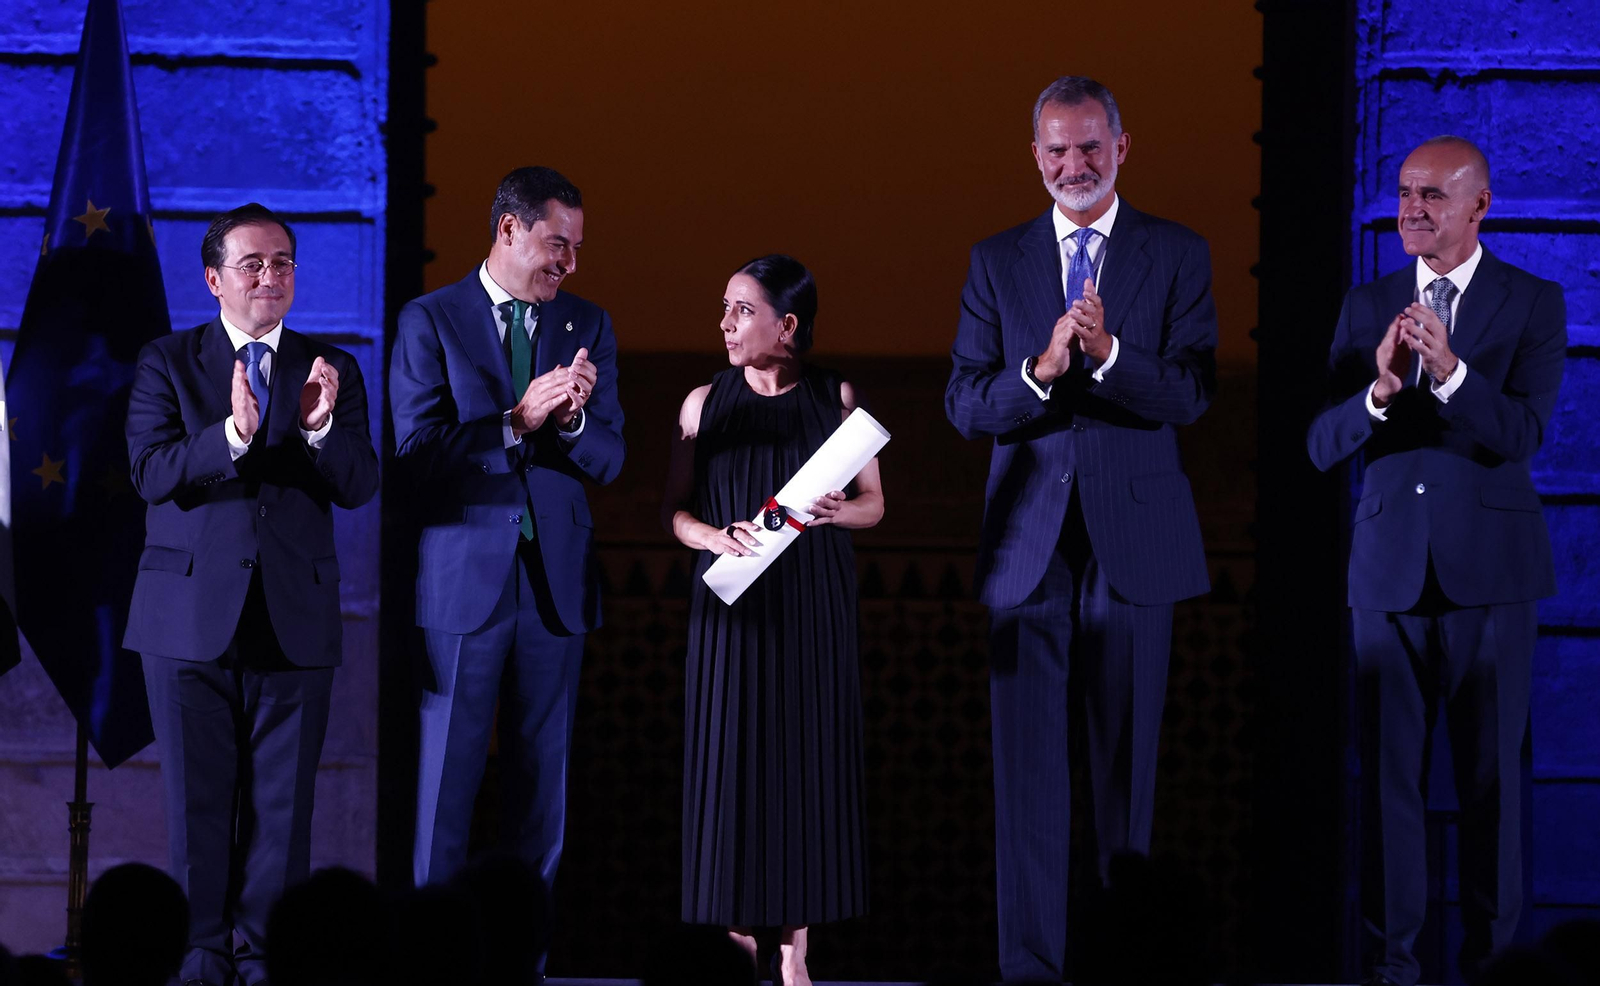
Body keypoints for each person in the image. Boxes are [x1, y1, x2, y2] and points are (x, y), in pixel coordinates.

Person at [944, 76, 1216, 982]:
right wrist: (1040, 369)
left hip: (1134, 544)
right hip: (1028, 544)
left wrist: (1106, 358)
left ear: (1122, 148)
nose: (1074, 164)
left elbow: (1189, 392)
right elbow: (964, 404)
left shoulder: (1176, 253)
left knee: (1123, 778)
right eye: (1057, 150)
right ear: (1035, 156)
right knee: (1026, 783)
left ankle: (1121, 967)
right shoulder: (996, 259)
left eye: (1091, 147)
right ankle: (1030, 971)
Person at [1307, 136, 1566, 986]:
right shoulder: (1365, 303)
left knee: (1493, 789)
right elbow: (1319, 445)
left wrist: (1452, 376)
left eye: (1431, 197)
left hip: (1492, 578)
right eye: (1404, 193)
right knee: (1389, 793)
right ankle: (1395, 968)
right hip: (1387, 576)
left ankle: (1496, 967)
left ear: (1478, 205)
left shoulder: (1533, 302)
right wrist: (1378, 395)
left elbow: (1524, 434)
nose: (1411, 209)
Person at [124, 203, 380, 986]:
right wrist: (232, 437)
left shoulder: (330, 366)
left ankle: (269, 964)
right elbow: (151, 472)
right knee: (199, 811)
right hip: (188, 622)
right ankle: (200, 963)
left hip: (292, 622)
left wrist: (316, 430)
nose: (272, 276)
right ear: (214, 279)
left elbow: (360, 483)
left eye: (284, 263)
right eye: (254, 264)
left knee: (282, 814)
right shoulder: (166, 361)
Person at [390, 166, 624, 976]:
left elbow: (610, 458)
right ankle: (432, 963)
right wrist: (514, 422)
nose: (569, 265)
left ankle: (526, 965)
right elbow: (416, 457)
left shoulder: (587, 322)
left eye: (577, 248)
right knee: (444, 791)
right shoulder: (431, 320)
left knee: (541, 798)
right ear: (509, 231)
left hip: (554, 592)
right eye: (558, 244)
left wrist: (575, 415)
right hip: (462, 587)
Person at [662, 255, 882, 986]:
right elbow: (675, 513)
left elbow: (873, 505)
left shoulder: (837, 397)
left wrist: (834, 513)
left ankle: (794, 950)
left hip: (811, 605)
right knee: (725, 766)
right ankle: (734, 946)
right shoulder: (703, 402)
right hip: (728, 610)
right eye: (724, 307)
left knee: (802, 768)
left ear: (787, 327)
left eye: (743, 311)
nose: (725, 323)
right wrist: (709, 537)